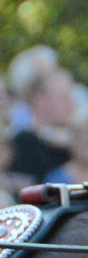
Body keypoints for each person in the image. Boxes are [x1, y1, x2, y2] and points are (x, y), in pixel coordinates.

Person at [8, 48, 77, 183]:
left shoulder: (83, 143)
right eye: (63, 97)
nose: (71, 103)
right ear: (41, 101)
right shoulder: (22, 144)